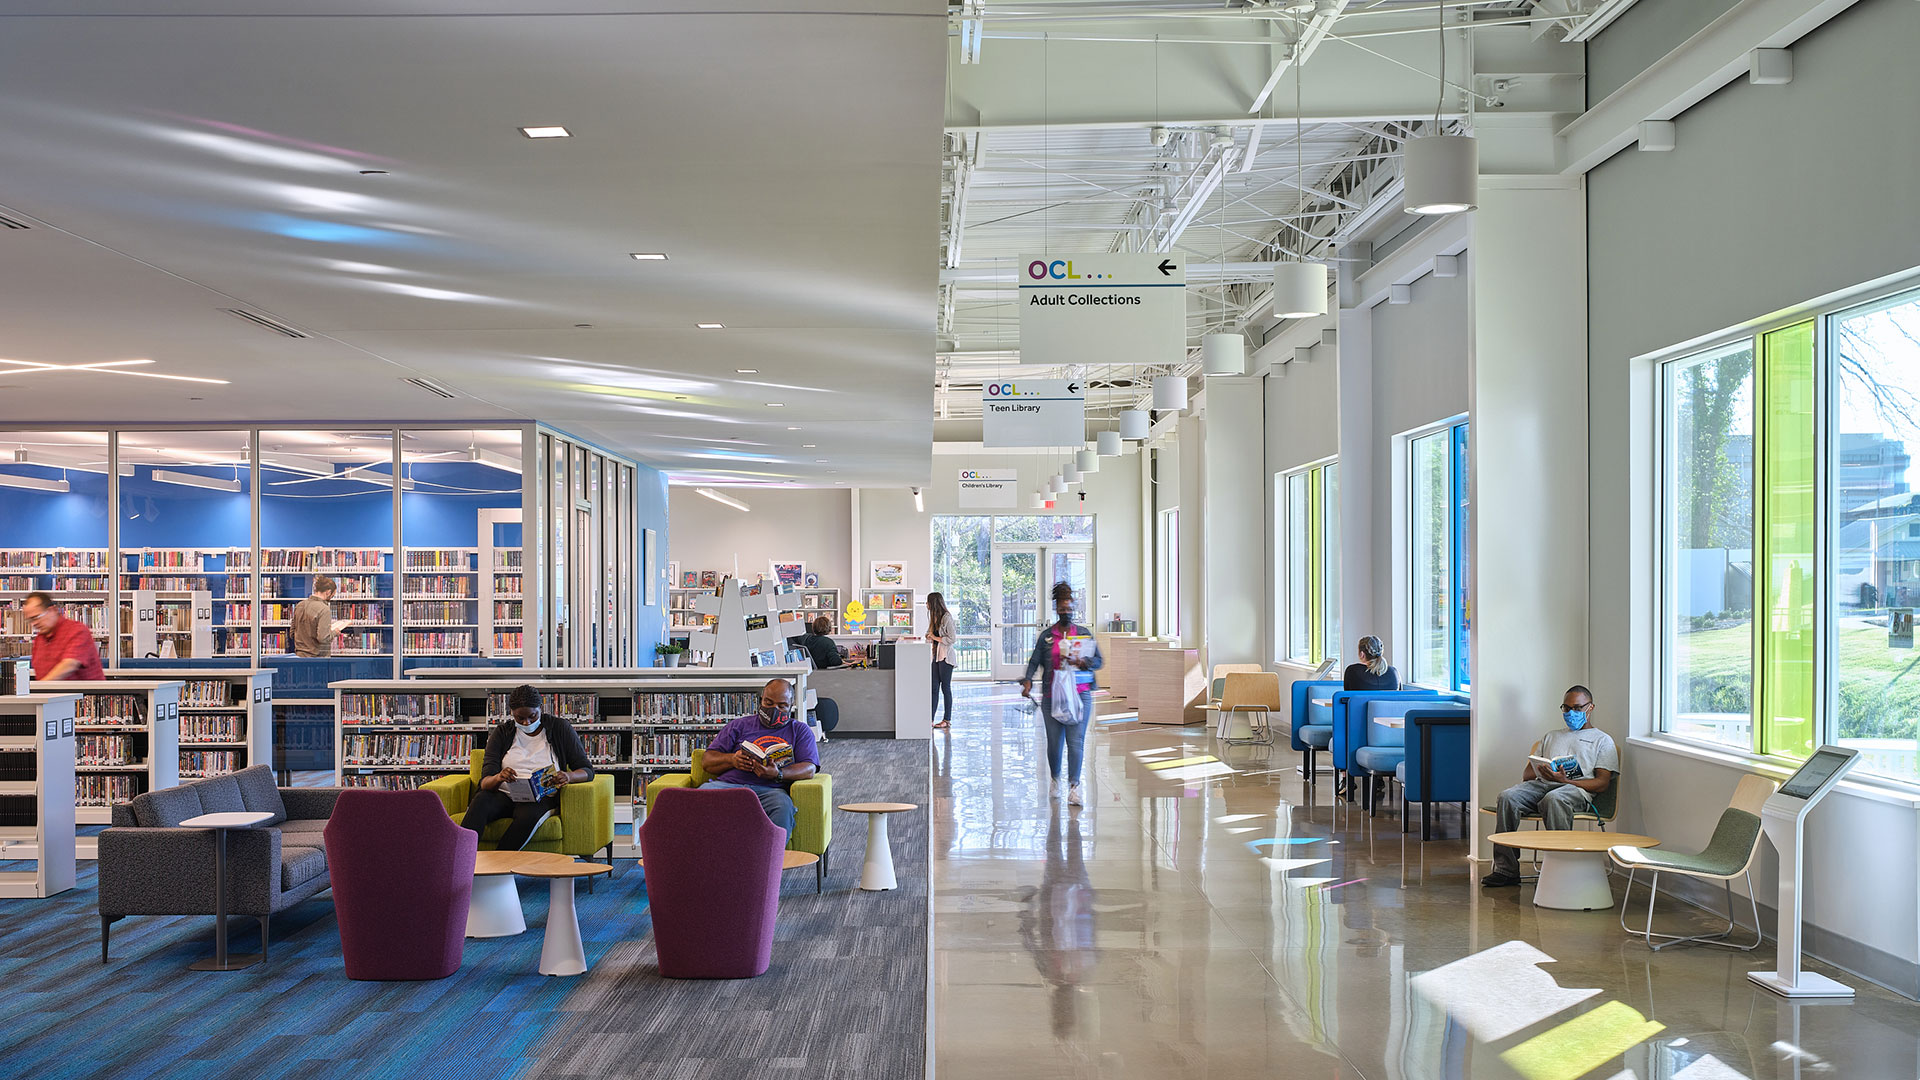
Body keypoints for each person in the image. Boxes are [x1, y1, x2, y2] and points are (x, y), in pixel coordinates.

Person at [1481, 685, 1620, 887]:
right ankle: (1506, 869)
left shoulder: (1603, 740)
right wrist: (1544, 771)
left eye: (1577, 708)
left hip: (1576, 790)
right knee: (1507, 797)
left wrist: (1567, 781)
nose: (1571, 713)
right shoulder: (1551, 736)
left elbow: (1602, 783)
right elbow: (1527, 775)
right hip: (1543, 785)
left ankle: (1560, 869)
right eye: (1566, 708)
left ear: (1590, 708)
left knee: (1554, 799)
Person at [461, 684, 595, 851]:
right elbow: (485, 782)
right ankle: (460, 862)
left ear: (540, 708)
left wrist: (568, 776)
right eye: (520, 718)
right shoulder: (502, 733)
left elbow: (587, 771)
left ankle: (499, 866)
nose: (527, 722)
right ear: (512, 713)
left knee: (528, 816)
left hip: (539, 798)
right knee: (480, 802)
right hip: (503, 794)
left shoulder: (560, 728)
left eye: (532, 716)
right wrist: (499, 777)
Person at [1020, 582, 1104, 807]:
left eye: (1070, 608)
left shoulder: (1084, 635)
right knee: (1055, 743)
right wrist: (1028, 680)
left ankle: (1074, 787)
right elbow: (1035, 660)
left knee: (1076, 742)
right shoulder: (1048, 636)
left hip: (1080, 695)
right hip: (1052, 695)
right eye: (1062, 608)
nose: (1066, 612)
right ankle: (1055, 779)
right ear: (1057, 608)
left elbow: (1099, 661)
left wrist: (1082, 661)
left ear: (1074, 608)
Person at [700, 677, 820, 835]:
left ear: (791, 706)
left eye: (782, 706)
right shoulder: (739, 725)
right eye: (769, 703)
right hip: (729, 786)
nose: (774, 709)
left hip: (770, 791)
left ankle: (772, 858)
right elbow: (707, 761)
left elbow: (809, 768)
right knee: (699, 797)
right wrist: (732, 760)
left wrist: (778, 774)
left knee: (782, 807)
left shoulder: (799, 730)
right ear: (760, 701)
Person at [22, 591, 104, 681]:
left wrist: (40, 687)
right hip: (52, 693)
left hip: (85, 694)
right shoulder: (39, 639)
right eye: (30, 620)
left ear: (52, 610)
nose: (34, 623)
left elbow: (69, 664)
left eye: (36, 617)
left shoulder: (77, 630)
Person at [290, 575, 357, 658]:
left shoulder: (299, 605)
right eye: (333, 594)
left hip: (299, 656)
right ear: (328, 592)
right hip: (317, 658)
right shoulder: (324, 609)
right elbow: (323, 638)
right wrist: (335, 632)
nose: (332, 597)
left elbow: (292, 633)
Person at [927, 591, 957, 729]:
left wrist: (934, 637)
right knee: (933, 688)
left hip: (946, 657)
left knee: (945, 688)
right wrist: (929, 636)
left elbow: (951, 639)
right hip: (936, 657)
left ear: (933, 603)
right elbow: (931, 634)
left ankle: (947, 720)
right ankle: (930, 719)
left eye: (928, 602)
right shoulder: (934, 618)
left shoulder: (947, 618)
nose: (926, 605)